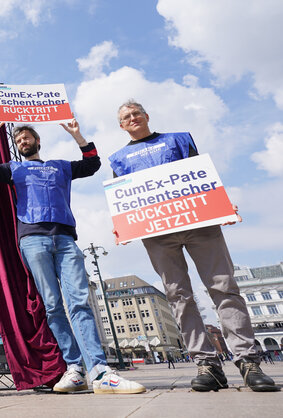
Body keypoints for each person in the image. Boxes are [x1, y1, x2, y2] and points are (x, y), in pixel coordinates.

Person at [109, 100, 278, 392]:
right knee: (177, 295)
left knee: (223, 287)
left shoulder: (178, 139)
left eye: (137, 113)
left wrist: (220, 206)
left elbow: (200, 176)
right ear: (121, 125)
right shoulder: (118, 159)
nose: (133, 117)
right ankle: (207, 364)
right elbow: (124, 197)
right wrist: (122, 225)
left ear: (147, 116)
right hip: (158, 232)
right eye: (126, 116)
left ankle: (248, 361)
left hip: (198, 222)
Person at [0, 118, 145, 394]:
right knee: (53, 306)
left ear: (38, 141)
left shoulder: (60, 166)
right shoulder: (14, 168)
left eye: (27, 137)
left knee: (79, 303)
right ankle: (74, 369)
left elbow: (92, 164)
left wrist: (77, 134)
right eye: (18, 141)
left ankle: (100, 372)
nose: (23, 142)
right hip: (32, 240)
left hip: (65, 239)